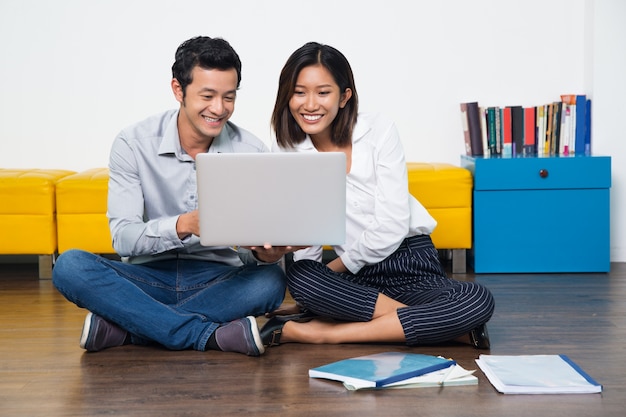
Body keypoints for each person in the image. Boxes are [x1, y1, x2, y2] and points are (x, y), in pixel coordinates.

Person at [52, 36, 294, 357]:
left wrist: (265, 253)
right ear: (178, 90)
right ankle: (207, 336)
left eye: (229, 97)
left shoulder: (250, 151)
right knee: (70, 266)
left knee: (270, 281)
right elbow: (123, 239)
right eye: (207, 95)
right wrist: (185, 224)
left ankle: (130, 327)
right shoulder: (133, 143)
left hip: (217, 278)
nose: (219, 109)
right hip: (145, 277)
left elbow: (249, 255)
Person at [260, 42, 495, 349]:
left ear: (344, 97)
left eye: (323, 92)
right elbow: (307, 233)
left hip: (408, 262)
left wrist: (331, 273)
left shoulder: (379, 130)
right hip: (353, 279)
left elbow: (393, 225)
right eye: (299, 92)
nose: (310, 104)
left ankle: (325, 333)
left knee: (476, 299)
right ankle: (442, 327)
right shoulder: (286, 149)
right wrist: (312, 286)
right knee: (302, 275)